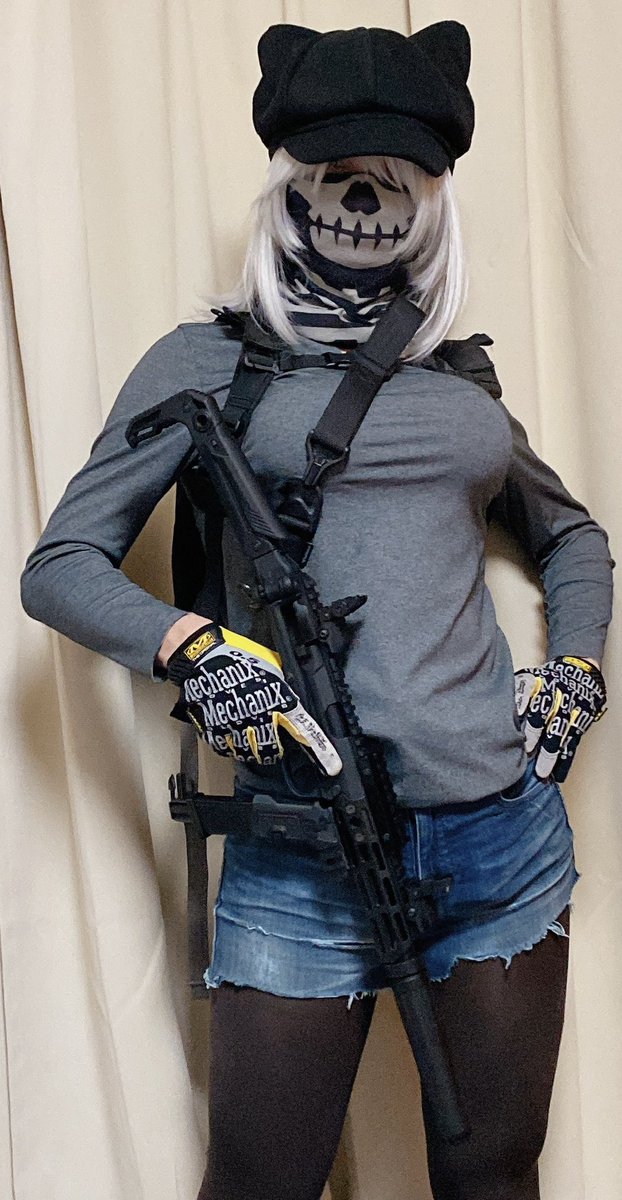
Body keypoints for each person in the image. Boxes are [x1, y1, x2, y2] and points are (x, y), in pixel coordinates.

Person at [21, 20, 614, 1200]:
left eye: (397, 172)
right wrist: (195, 649)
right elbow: (62, 563)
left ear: (431, 196)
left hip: (497, 836)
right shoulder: (209, 364)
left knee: (495, 1174)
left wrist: (577, 669)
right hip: (303, 844)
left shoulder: (459, 379)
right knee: (259, 1181)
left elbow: (573, 537)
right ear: (290, 185)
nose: (364, 197)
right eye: (336, 167)